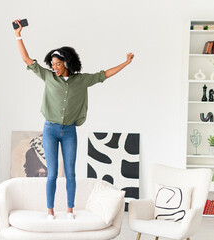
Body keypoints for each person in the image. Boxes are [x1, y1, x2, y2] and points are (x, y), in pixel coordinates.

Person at [13, 19, 134, 220]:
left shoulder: (81, 81)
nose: (55, 67)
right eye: (52, 64)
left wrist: (126, 62)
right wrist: (18, 34)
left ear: (67, 63)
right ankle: (50, 211)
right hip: (50, 130)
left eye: (58, 64)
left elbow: (104, 74)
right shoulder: (48, 77)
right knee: (52, 174)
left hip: (69, 131)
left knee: (70, 173)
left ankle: (70, 210)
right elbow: (26, 59)